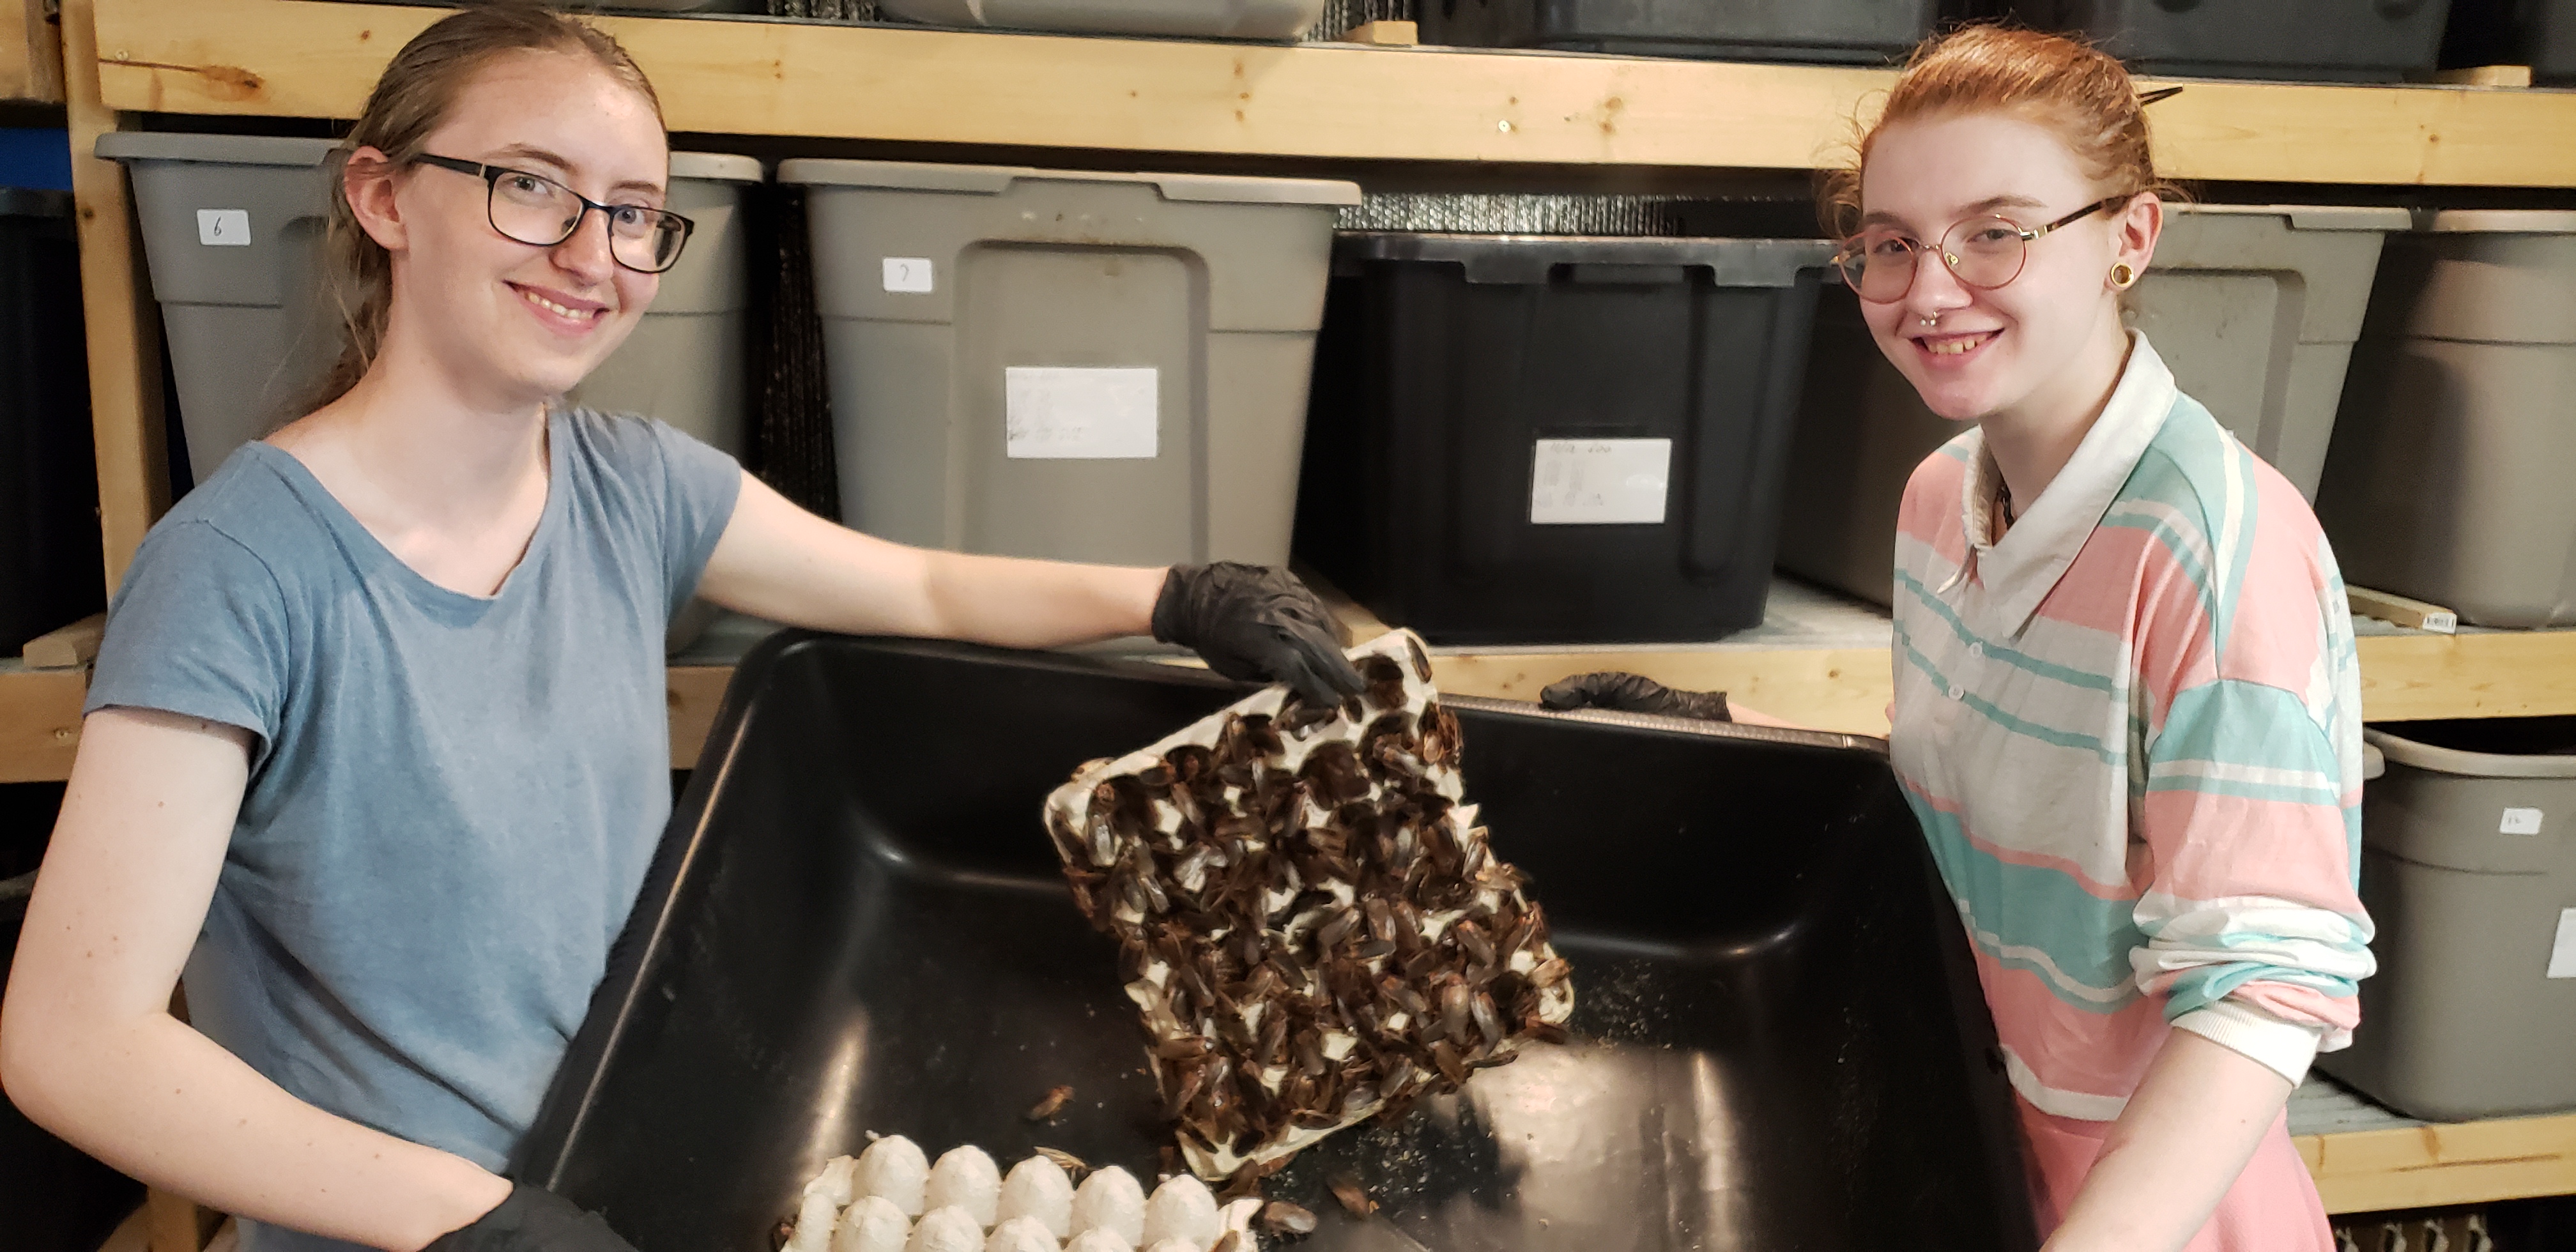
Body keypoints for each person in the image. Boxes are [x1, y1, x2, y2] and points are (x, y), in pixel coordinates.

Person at [0, 7, 1359, 1251]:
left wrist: (1176, 595)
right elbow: (76, 1041)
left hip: (636, 1185)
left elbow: (922, 588)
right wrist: (482, 1221)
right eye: (532, 186)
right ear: (383, 195)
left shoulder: (636, 486)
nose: (595, 255)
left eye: (637, 213)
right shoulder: (240, 569)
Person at [1547, 25, 2372, 1252]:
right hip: (1973, 1120)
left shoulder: (2218, 555)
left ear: (2128, 239)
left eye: (1996, 232)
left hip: (2145, 1199)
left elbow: (2264, 995)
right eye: (1890, 245)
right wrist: (1726, 739)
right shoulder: (1944, 499)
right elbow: (1975, 785)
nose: (1932, 291)